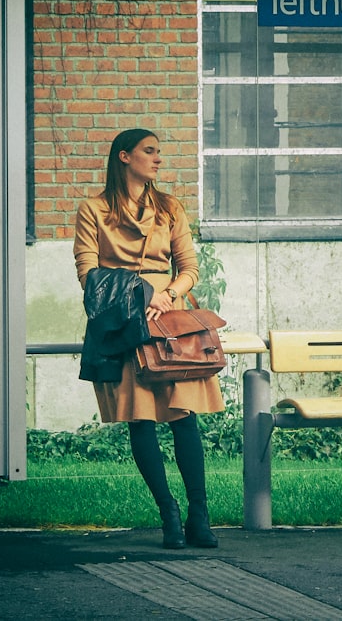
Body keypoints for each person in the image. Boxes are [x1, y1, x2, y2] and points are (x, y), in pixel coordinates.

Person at [73, 128, 224, 549]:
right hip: (125, 322)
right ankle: (168, 514)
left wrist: (170, 294)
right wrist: (144, 294)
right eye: (149, 152)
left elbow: (190, 267)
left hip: (170, 321)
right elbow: (88, 273)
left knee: (183, 417)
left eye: (159, 152)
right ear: (124, 156)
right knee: (141, 419)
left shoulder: (170, 207)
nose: (158, 159)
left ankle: (200, 514)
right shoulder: (93, 210)